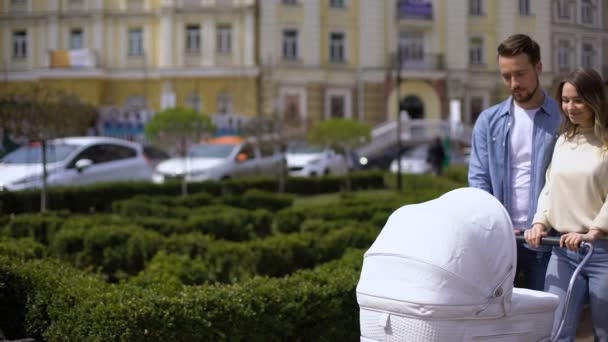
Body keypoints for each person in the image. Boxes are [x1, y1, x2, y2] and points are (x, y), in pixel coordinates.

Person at [468, 33, 561, 291]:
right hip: (501, 242)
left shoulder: (562, 120)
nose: (513, 83)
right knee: (495, 322)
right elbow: (478, 181)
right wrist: (493, 227)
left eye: (520, 74)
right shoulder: (489, 121)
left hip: (548, 241)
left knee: (545, 323)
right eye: (506, 76)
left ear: (538, 67)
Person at [525, 67, 608, 341]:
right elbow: (550, 188)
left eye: (578, 100)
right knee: (557, 331)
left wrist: (593, 232)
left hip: (602, 252)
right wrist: (539, 222)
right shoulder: (563, 141)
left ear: (595, 100)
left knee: (604, 332)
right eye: (565, 100)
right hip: (562, 250)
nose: (570, 107)